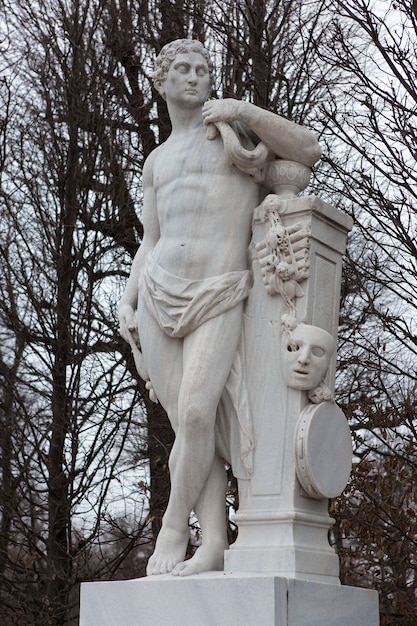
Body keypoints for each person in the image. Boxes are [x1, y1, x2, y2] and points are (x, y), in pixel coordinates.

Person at [118, 39, 321, 577]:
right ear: (161, 84)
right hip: (159, 292)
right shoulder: (156, 160)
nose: (194, 78)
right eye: (181, 70)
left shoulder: (234, 133)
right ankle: (211, 544)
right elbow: (150, 238)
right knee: (189, 429)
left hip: (220, 289)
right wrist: (128, 296)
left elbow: (308, 149)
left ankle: (171, 528)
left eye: (202, 70)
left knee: (196, 412)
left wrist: (240, 110)